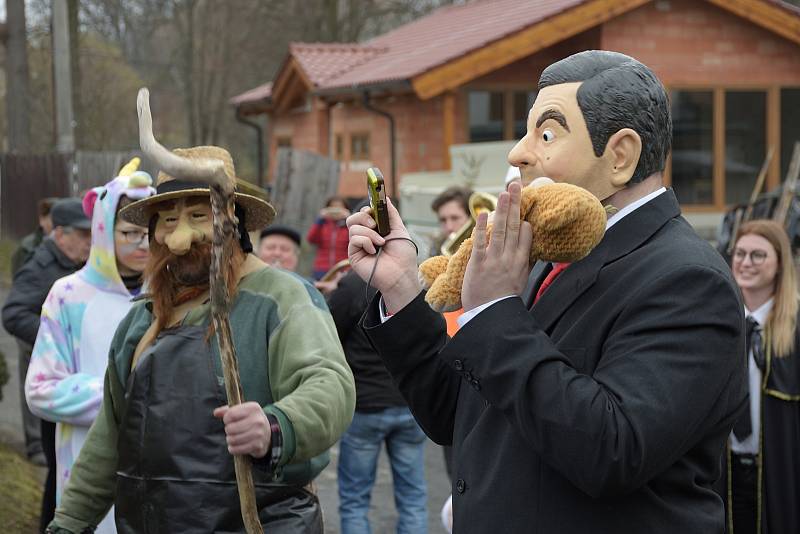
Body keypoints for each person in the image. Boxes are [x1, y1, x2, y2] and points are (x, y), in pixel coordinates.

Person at [346, 50, 747, 533]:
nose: (518, 152)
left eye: (548, 134)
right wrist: (403, 290)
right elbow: (457, 414)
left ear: (620, 155)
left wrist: (495, 309)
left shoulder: (687, 279)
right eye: (527, 131)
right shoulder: (550, 258)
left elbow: (613, 450)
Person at [45, 145, 355, 534]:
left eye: (197, 215)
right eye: (168, 220)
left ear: (234, 222)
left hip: (261, 521)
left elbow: (330, 385)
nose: (180, 238)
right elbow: (109, 434)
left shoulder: (280, 298)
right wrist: (69, 522)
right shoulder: (142, 321)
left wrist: (276, 426)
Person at [25, 165, 155, 534]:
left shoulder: (174, 295)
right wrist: (122, 400)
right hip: (86, 461)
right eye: (130, 233)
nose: (143, 244)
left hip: (162, 472)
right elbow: (41, 390)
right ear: (103, 231)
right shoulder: (69, 296)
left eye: (151, 233)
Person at [2, 197, 91, 532]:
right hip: (55, 383)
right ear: (60, 234)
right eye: (82, 235)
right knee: (59, 472)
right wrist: (55, 337)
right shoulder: (41, 267)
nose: (89, 242)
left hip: (78, 383)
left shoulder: (76, 264)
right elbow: (12, 314)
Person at [327, 270, 428, 534]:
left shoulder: (352, 285)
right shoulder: (414, 280)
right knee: (413, 498)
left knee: (355, 500)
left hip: (365, 405)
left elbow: (329, 335)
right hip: (409, 404)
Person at [717, 220, 800, 534]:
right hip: (724, 473)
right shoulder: (717, 321)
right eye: (739, 253)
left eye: (757, 255)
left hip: (781, 471)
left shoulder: (794, 328)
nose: (745, 263)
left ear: (779, 263)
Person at [9, 196, 59, 465]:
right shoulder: (29, 248)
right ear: (42, 220)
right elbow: (21, 286)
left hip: (51, 326)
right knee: (30, 384)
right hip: (32, 326)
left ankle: (45, 441)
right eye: (50, 217)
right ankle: (34, 443)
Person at [307, 195, 350, 280]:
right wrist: (319, 220)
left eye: (339, 208)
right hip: (322, 268)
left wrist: (349, 219)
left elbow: (353, 242)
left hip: (343, 268)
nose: (336, 211)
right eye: (333, 208)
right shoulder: (322, 224)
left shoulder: (348, 226)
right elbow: (311, 239)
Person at [429, 186, 472, 258]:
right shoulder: (437, 246)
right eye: (443, 220)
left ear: (471, 217)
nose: (449, 227)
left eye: (455, 218)